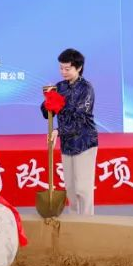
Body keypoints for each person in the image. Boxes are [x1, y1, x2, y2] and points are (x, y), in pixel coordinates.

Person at [40, 48, 98, 215]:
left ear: (78, 67)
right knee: (71, 188)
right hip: (67, 144)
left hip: (85, 142)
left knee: (83, 188)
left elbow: (80, 118)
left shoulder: (86, 88)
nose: (63, 72)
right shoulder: (59, 87)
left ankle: (87, 222)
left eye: (67, 68)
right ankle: (74, 221)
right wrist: (48, 100)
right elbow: (47, 113)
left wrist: (58, 131)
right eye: (61, 68)